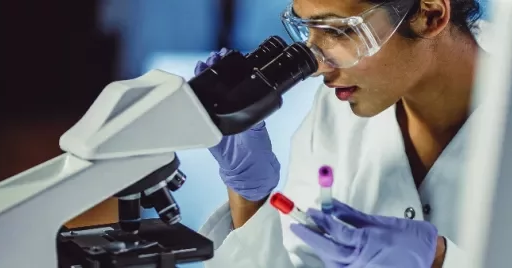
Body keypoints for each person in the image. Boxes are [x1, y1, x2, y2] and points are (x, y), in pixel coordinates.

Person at [198, 0, 488, 267]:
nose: (317, 67)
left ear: (430, 15)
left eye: (338, 31)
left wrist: (443, 260)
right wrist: (250, 198)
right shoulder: (335, 113)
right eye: (307, 30)